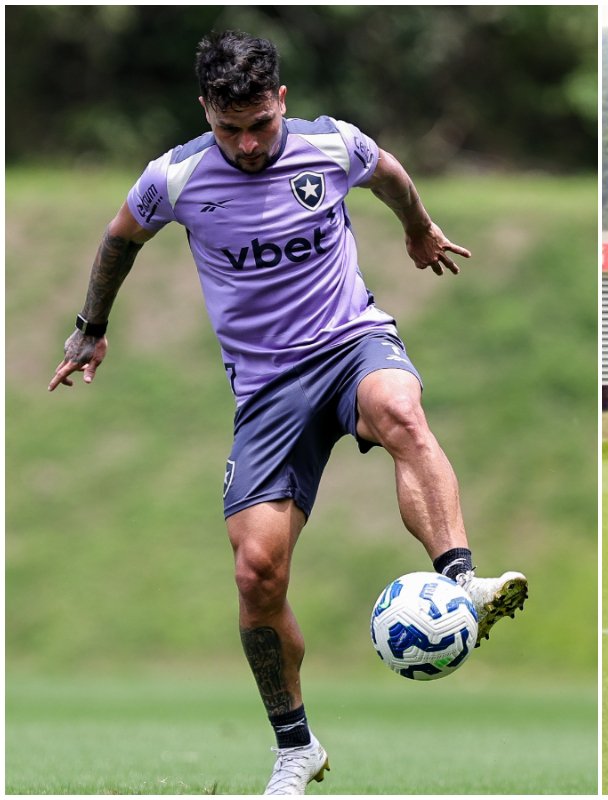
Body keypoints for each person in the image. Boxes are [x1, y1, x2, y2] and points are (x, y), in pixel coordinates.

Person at [48, 30, 529, 795]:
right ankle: (296, 747)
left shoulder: (332, 147)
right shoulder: (173, 179)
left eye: (259, 125)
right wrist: (90, 328)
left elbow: (392, 175)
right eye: (227, 128)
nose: (245, 144)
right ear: (206, 110)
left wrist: (418, 228)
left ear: (282, 102)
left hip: (351, 343)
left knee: (400, 408)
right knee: (257, 572)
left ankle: (462, 578)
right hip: (267, 392)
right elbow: (119, 239)